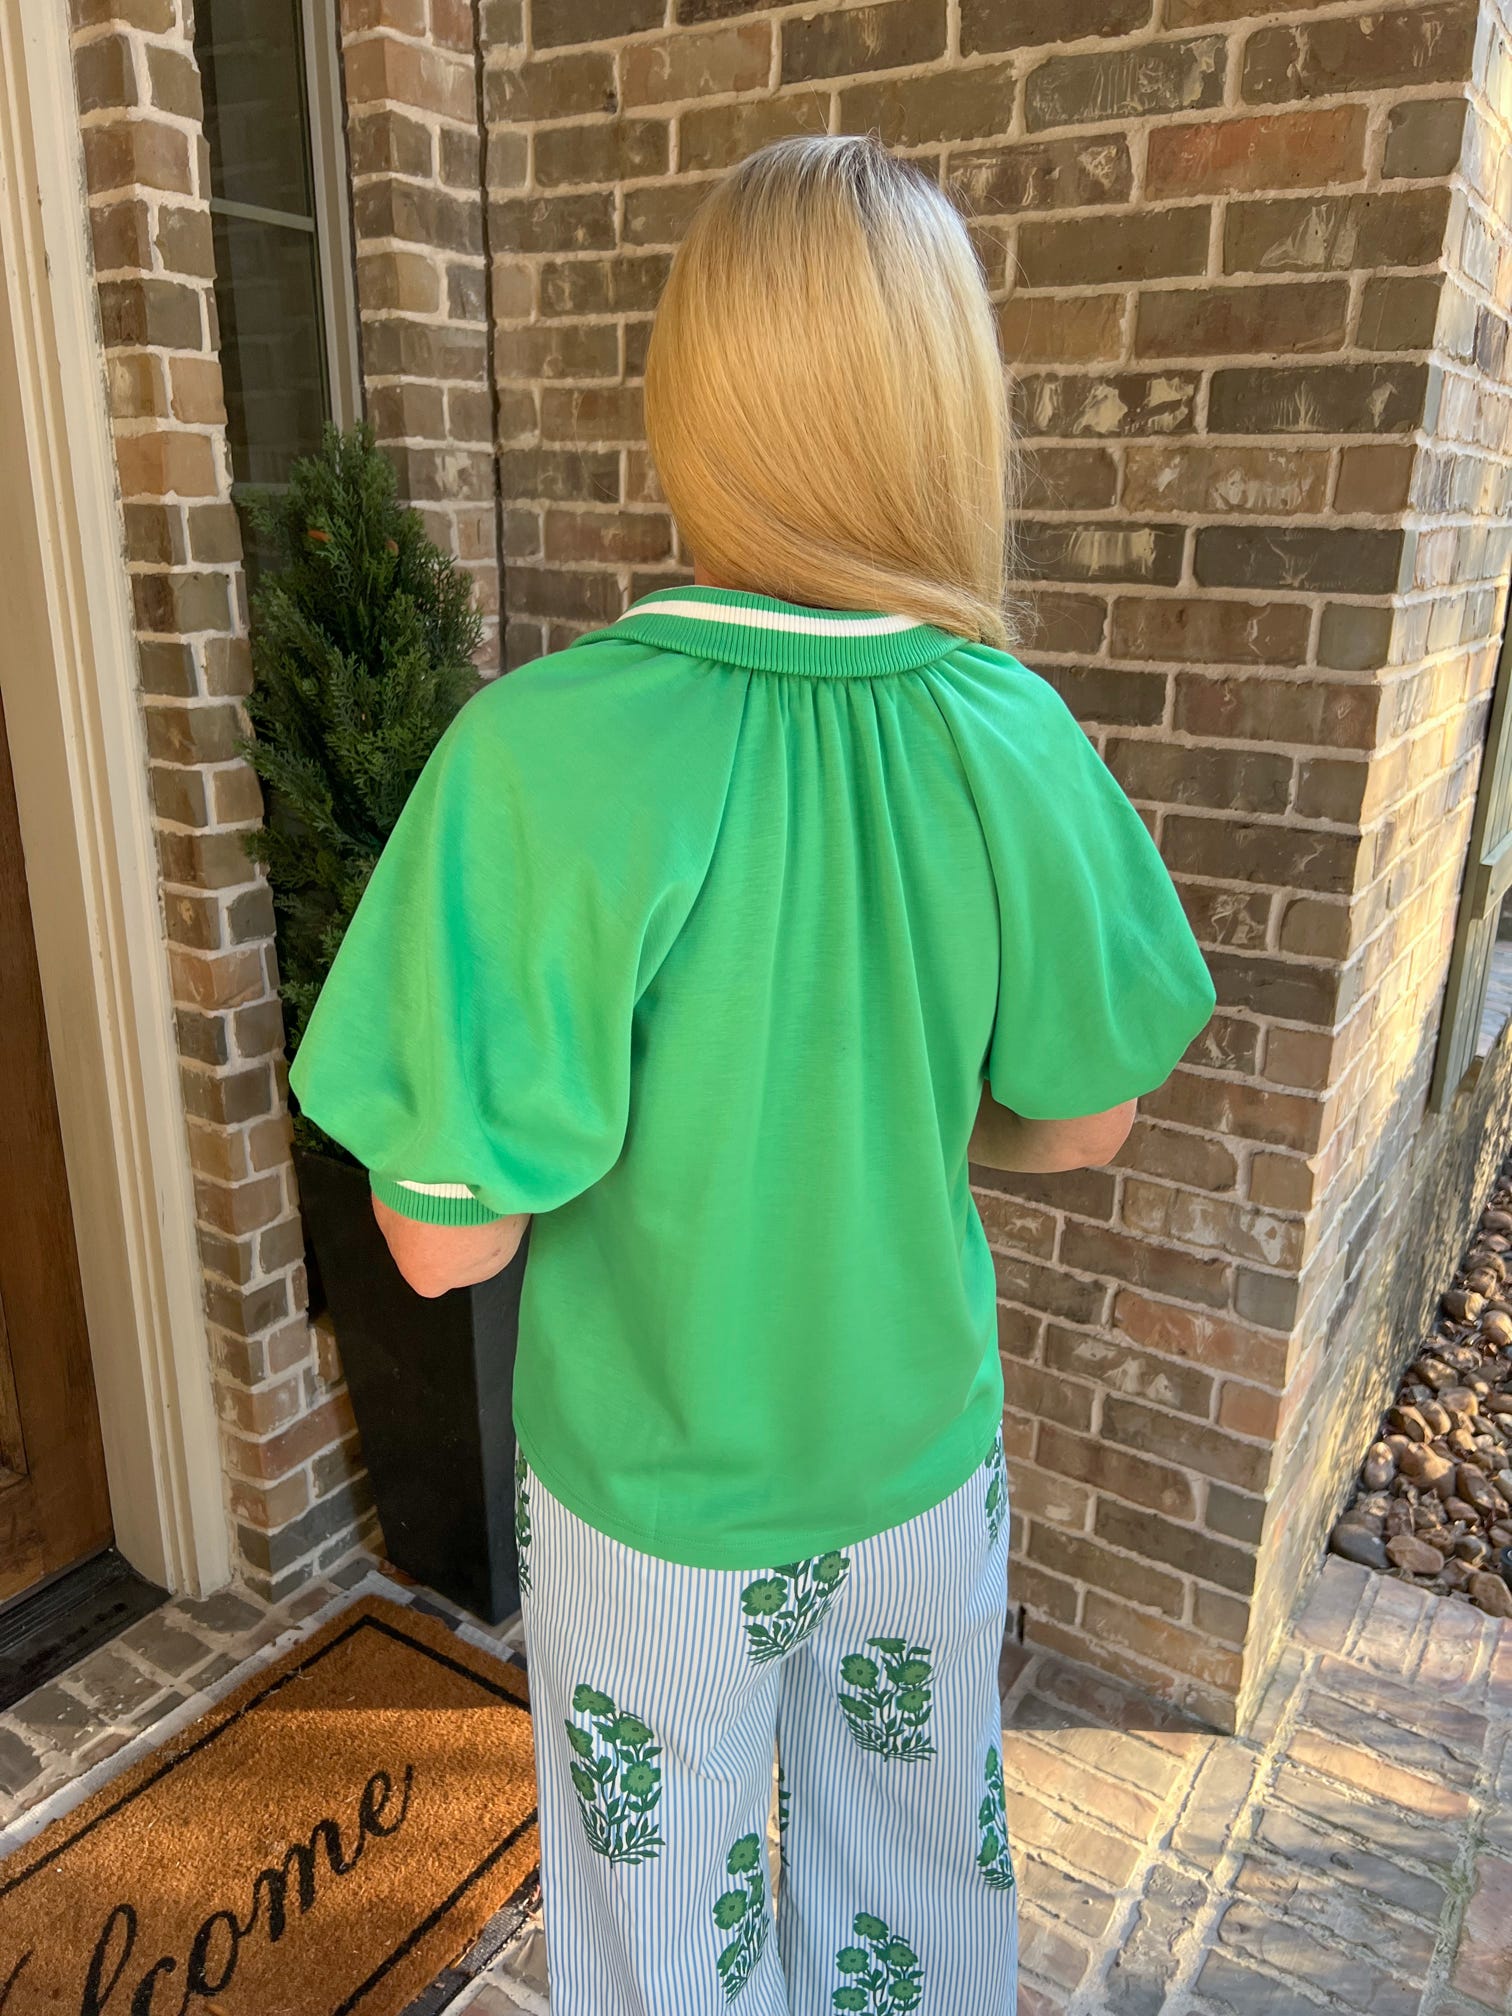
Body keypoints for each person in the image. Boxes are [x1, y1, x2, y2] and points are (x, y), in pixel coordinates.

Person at [290, 134, 1215, 2016]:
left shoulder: (544, 757)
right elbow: (1087, 1116)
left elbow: (445, 1252)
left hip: (655, 1519)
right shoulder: (1009, 735)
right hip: (914, 1472)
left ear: (689, 400)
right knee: (915, 1930)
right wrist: (864, 1097)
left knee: (662, 1969)